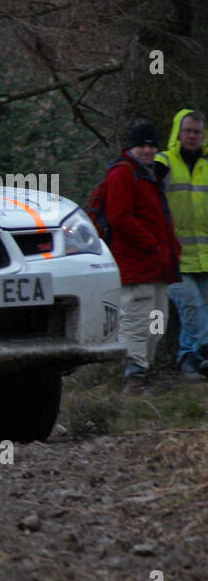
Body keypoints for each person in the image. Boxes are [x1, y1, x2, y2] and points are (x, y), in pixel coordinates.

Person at [107, 120, 180, 394]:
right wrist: (151, 245)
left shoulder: (149, 176)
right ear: (131, 147)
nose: (147, 150)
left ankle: (143, 372)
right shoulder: (122, 175)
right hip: (135, 266)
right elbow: (118, 216)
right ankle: (134, 377)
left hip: (157, 266)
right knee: (137, 321)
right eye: (142, 145)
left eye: (151, 145)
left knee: (157, 322)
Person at [155, 109, 208, 380]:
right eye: (187, 130)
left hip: (204, 255)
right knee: (193, 307)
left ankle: (191, 362)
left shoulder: (207, 164)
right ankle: (196, 356)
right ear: (178, 132)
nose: (191, 136)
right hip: (172, 255)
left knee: (200, 309)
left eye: (197, 132)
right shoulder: (162, 162)